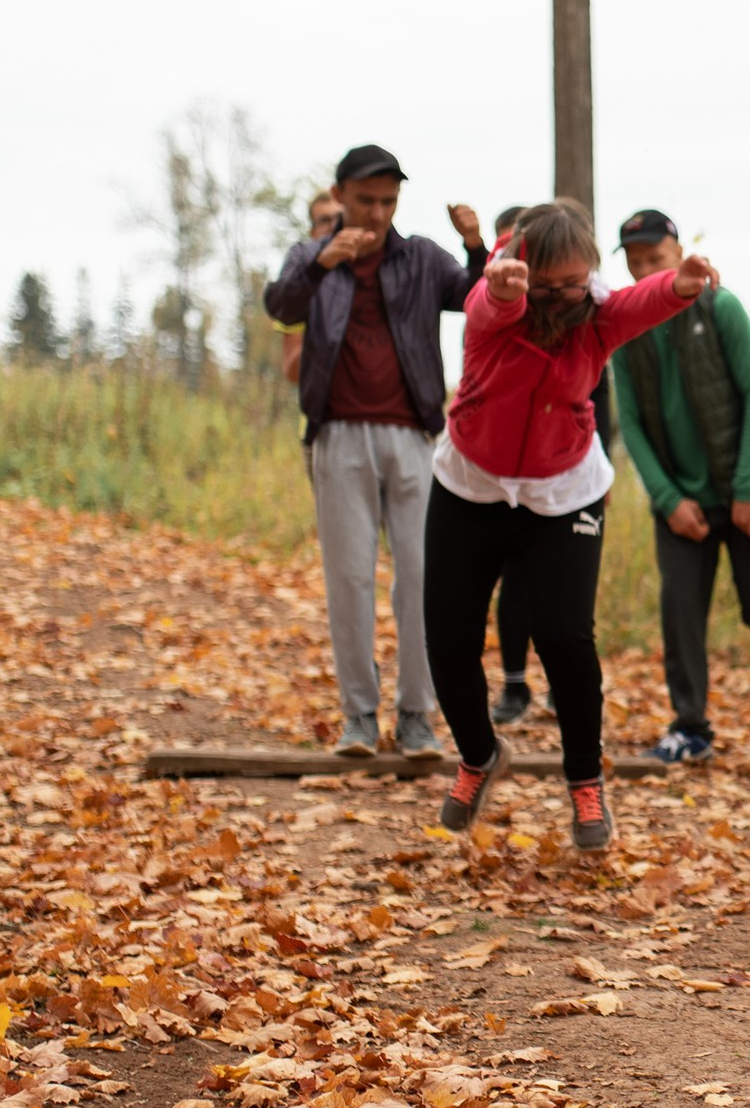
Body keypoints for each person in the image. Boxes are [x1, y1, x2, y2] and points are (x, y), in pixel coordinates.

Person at [424, 200, 716, 852]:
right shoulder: (497, 300)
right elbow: (485, 306)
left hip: (563, 490)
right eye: (547, 285)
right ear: (523, 267)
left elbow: (640, 302)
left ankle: (585, 780)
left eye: (573, 284)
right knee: (447, 639)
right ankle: (478, 756)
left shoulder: (597, 312)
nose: (561, 298)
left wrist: (683, 282)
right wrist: (501, 286)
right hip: (472, 481)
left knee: (564, 639)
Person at [262, 144, 488, 759]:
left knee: (422, 578)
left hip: (415, 437)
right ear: (340, 197)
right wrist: (320, 265)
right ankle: (359, 718)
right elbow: (278, 306)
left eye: (389, 201)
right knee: (350, 579)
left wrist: (474, 245)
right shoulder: (311, 256)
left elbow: (476, 299)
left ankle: (416, 716)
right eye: (366, 200)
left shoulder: (419, 257)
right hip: (337, 436)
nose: (378, 212)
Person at [610, 208, 750, 761]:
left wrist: (748, 488)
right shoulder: (628, 328)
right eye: (636, 263)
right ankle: (691, 727)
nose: (646, 269)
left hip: (745, 491)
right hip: (680, 502)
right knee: (680, 614)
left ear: (678, 253)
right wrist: (667, 498)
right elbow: (628, 423)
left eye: (655, 258)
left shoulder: (719, 306)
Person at [486, 205, 619, 728]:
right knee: (513, 582)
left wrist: (599, 462)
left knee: (564, 594)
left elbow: (598, 396)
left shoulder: (591, 315)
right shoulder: (501, 309)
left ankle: (565, 691)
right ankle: (514, 686)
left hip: (573, 472)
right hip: (502, 471)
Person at [279, 191, 344, 384]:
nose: (334, 227)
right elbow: (292, 372)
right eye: (325, 221)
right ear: (312, 232)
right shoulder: (299, 285)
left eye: (339, 218)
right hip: (324, 409)